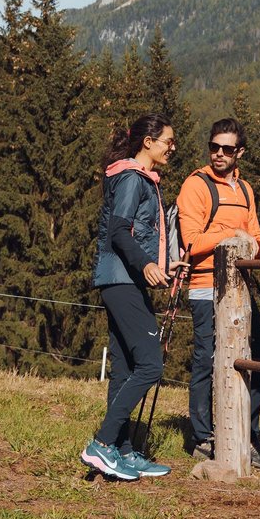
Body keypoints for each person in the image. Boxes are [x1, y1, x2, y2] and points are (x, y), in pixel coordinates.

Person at [177, 117, 260, 472]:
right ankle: (203, 438)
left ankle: (245, 435)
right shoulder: (196, 185)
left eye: (227, 149)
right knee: (207, 360)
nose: (219, 154)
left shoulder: (245, 190)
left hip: (239, 290)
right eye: (214, 147)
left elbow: (254, 235)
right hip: (206, 286)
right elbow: (191, 242)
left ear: (239, 152)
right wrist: (230, 231)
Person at [82, 113, 186, 481]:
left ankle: (123, 452)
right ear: (148, 142)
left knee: (125, 367)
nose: (172, 147)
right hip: (122, 280)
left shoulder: (141, 180)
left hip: (125, 280)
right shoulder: (130, 177)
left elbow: (136, 236)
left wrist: (163, 266)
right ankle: (103, 443)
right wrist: (144, 266)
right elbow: (119, 232)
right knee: (150, 366)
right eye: (167, 142)